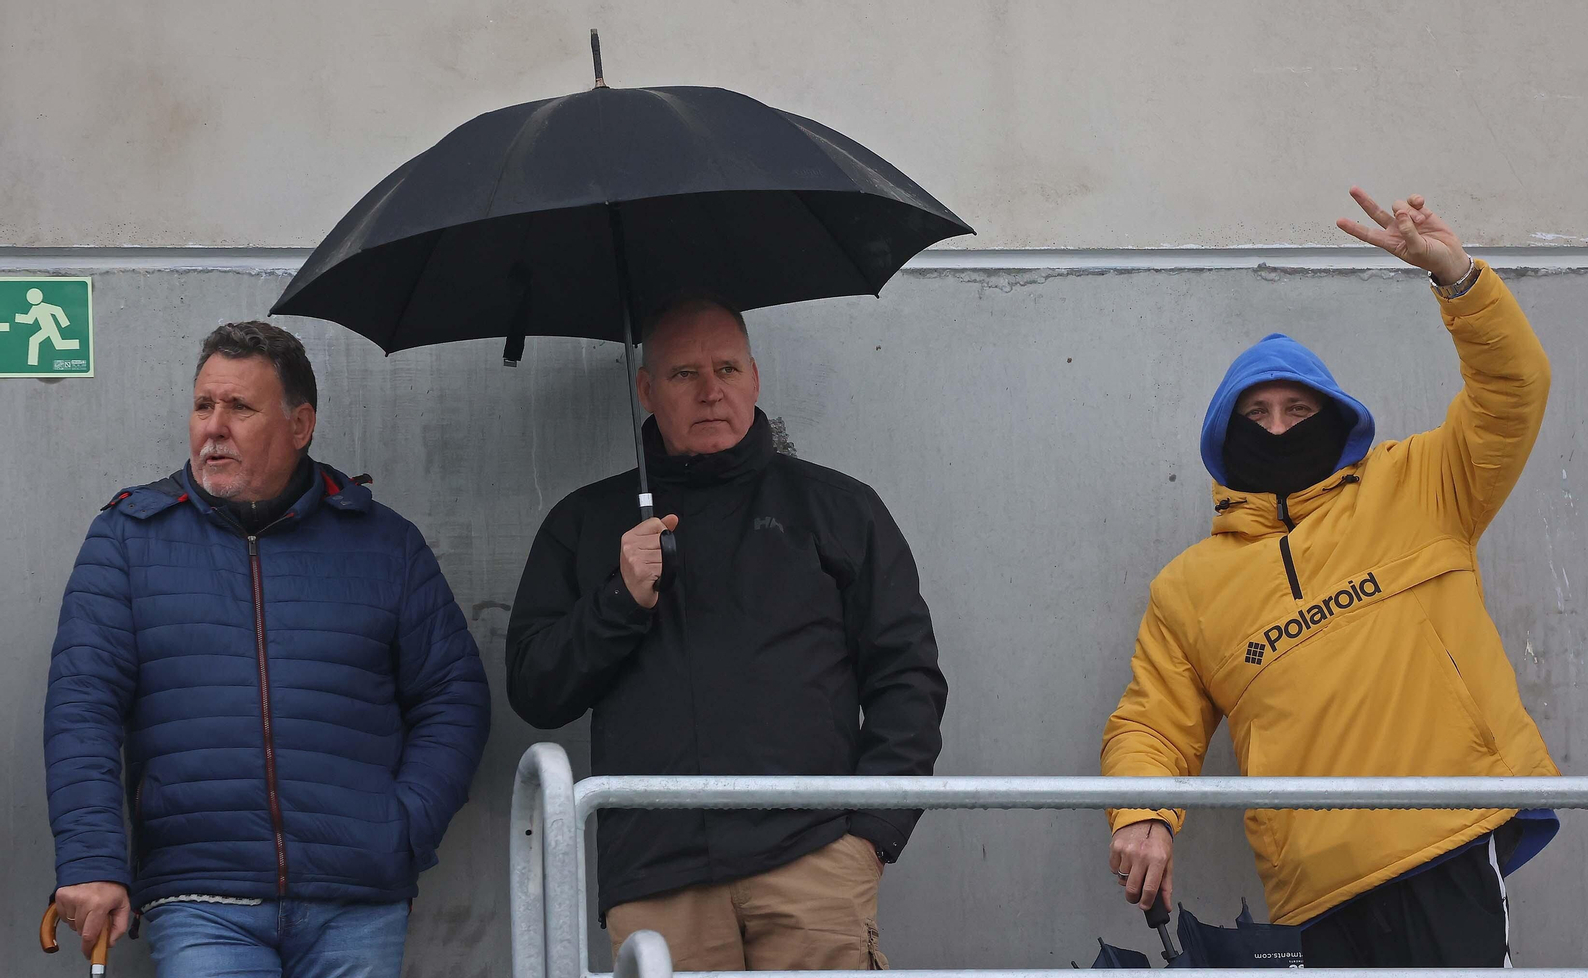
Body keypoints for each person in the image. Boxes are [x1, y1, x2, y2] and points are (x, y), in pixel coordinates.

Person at [1101, 188, 1559, 968]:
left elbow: (1513, 395)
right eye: (1257, 416)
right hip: (1314, 893)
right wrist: (1142, 812)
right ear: (1224, 435)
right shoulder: (1189, 587)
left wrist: (1458, 281)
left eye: (1298, 411)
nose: (1278, 429)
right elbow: (1152, 724)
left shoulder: (1420, 484)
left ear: (1336, 417)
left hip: (1445, 840)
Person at [506, 297, 948, 970]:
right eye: (684, 374)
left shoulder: (836, 508)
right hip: (657, 879)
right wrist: (620, 599)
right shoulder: (588, 523)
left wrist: (870, 838)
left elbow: (907, 679)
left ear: (756, 378)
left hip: (813, 864)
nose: (711, 391)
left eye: (727, 368)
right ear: (646, 390)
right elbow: (535, 687)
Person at [44, 321, 491, 978]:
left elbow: (453, 695)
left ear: (300, 424)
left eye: (239, 408)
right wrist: (90, 860)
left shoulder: (383, 544)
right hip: (202, 897)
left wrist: (400, 827)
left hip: (356, 898)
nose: (212, 428)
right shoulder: (129, 539)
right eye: (203, 406)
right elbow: (81, 705)